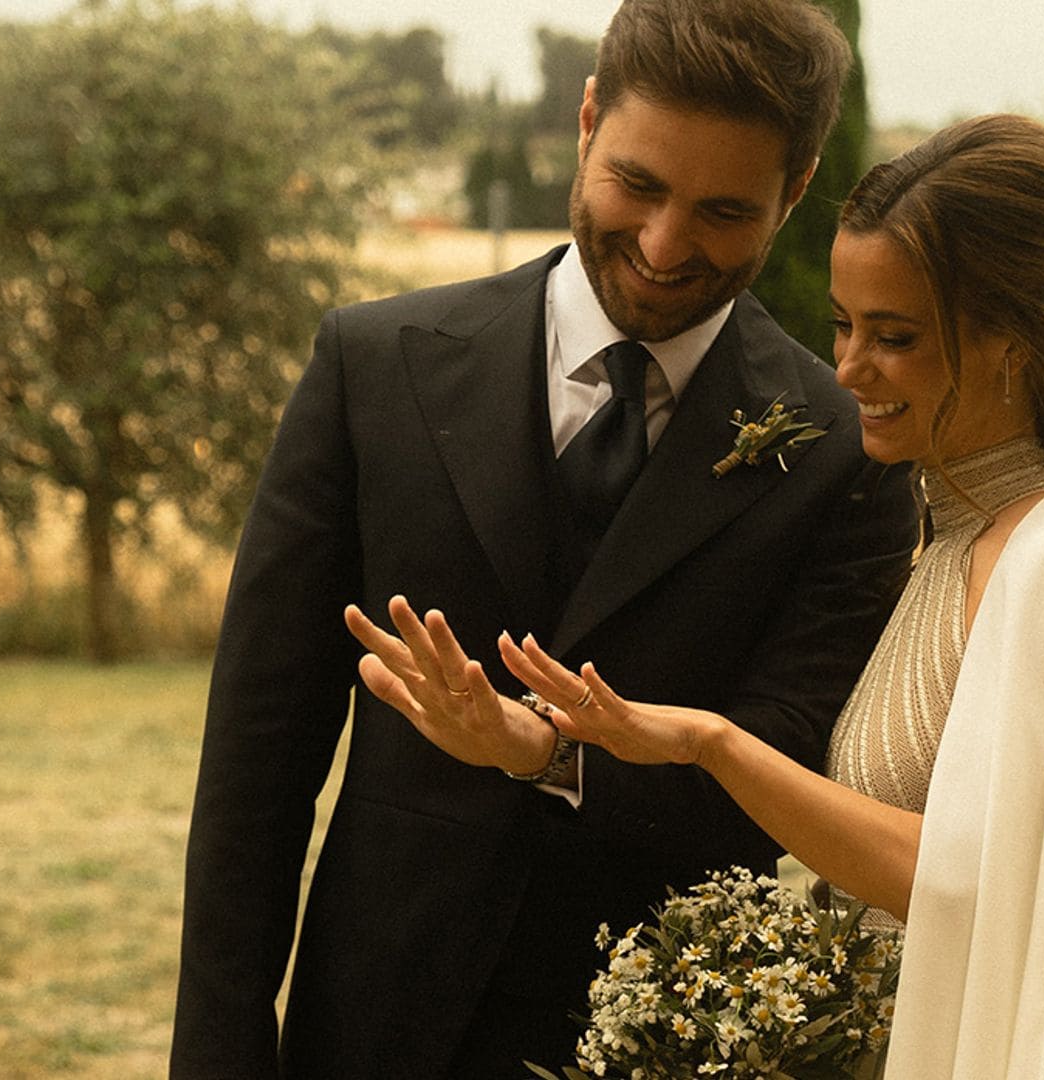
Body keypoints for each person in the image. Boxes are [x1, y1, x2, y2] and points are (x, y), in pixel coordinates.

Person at [171, 1, 919, 1075]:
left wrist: (556, 756)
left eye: (721, 210)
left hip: (658, 1041)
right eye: (640, 186)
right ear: (584, 120)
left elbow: (785, 767)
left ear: (794, 191)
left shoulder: (847, 453)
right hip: (373, 1032)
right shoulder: (374, 366)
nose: (665, 247)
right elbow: (257, 759)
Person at [359, 114, 1044, 1077]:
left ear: (1010, 344)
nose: (847, 369)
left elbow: (954, 877)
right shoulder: (951, 542)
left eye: (895, 336)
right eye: (842, 324)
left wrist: (711, 741)